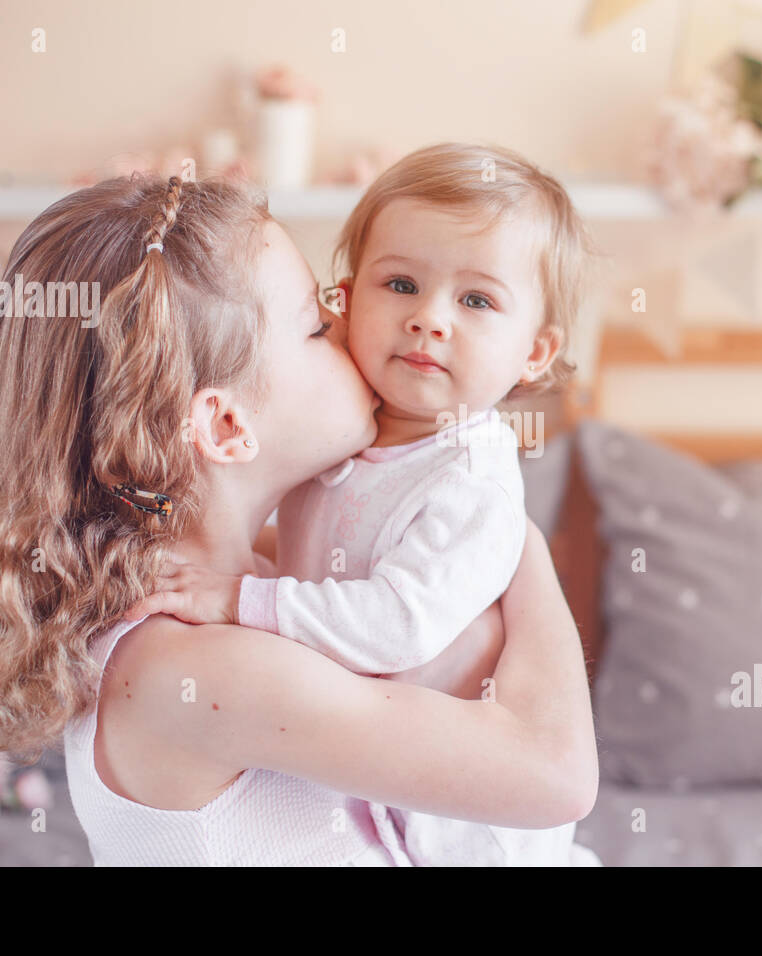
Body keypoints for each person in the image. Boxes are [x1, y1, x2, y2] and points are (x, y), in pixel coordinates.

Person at [0, 173, 598, 866]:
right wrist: (516, 537)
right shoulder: (204, 667)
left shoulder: (249, 594)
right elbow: (558, 778)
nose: (357, 333)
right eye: (316, 326)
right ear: (226, 423)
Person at [126, 143, 600, 865]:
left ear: (535, 353)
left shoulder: (468, 481)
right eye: (400, 284)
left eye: (476, 300)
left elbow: (396, 624)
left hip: (475, 836)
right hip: (389, 784)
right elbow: (324, 562)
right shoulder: (348, 444)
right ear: (349, 298)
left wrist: (241, 597)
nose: (430, 320)